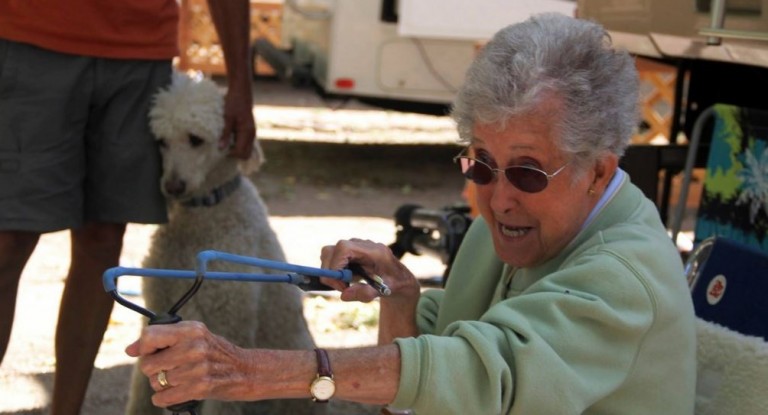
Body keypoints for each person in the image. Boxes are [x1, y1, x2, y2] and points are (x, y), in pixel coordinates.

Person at [124, 13, 697, 414]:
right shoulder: (506, 230)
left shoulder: (623, 275)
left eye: (526, 172)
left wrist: (250, 371)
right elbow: (428, 388)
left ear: (598, 170)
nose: (497, 200)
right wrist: (402, 299)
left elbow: (482, 376)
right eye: (480, 166)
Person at [0, 1, 256, 414]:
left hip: (140, 52)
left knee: (102, 240)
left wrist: (241, 85)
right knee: (8, 241)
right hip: (30, 36)